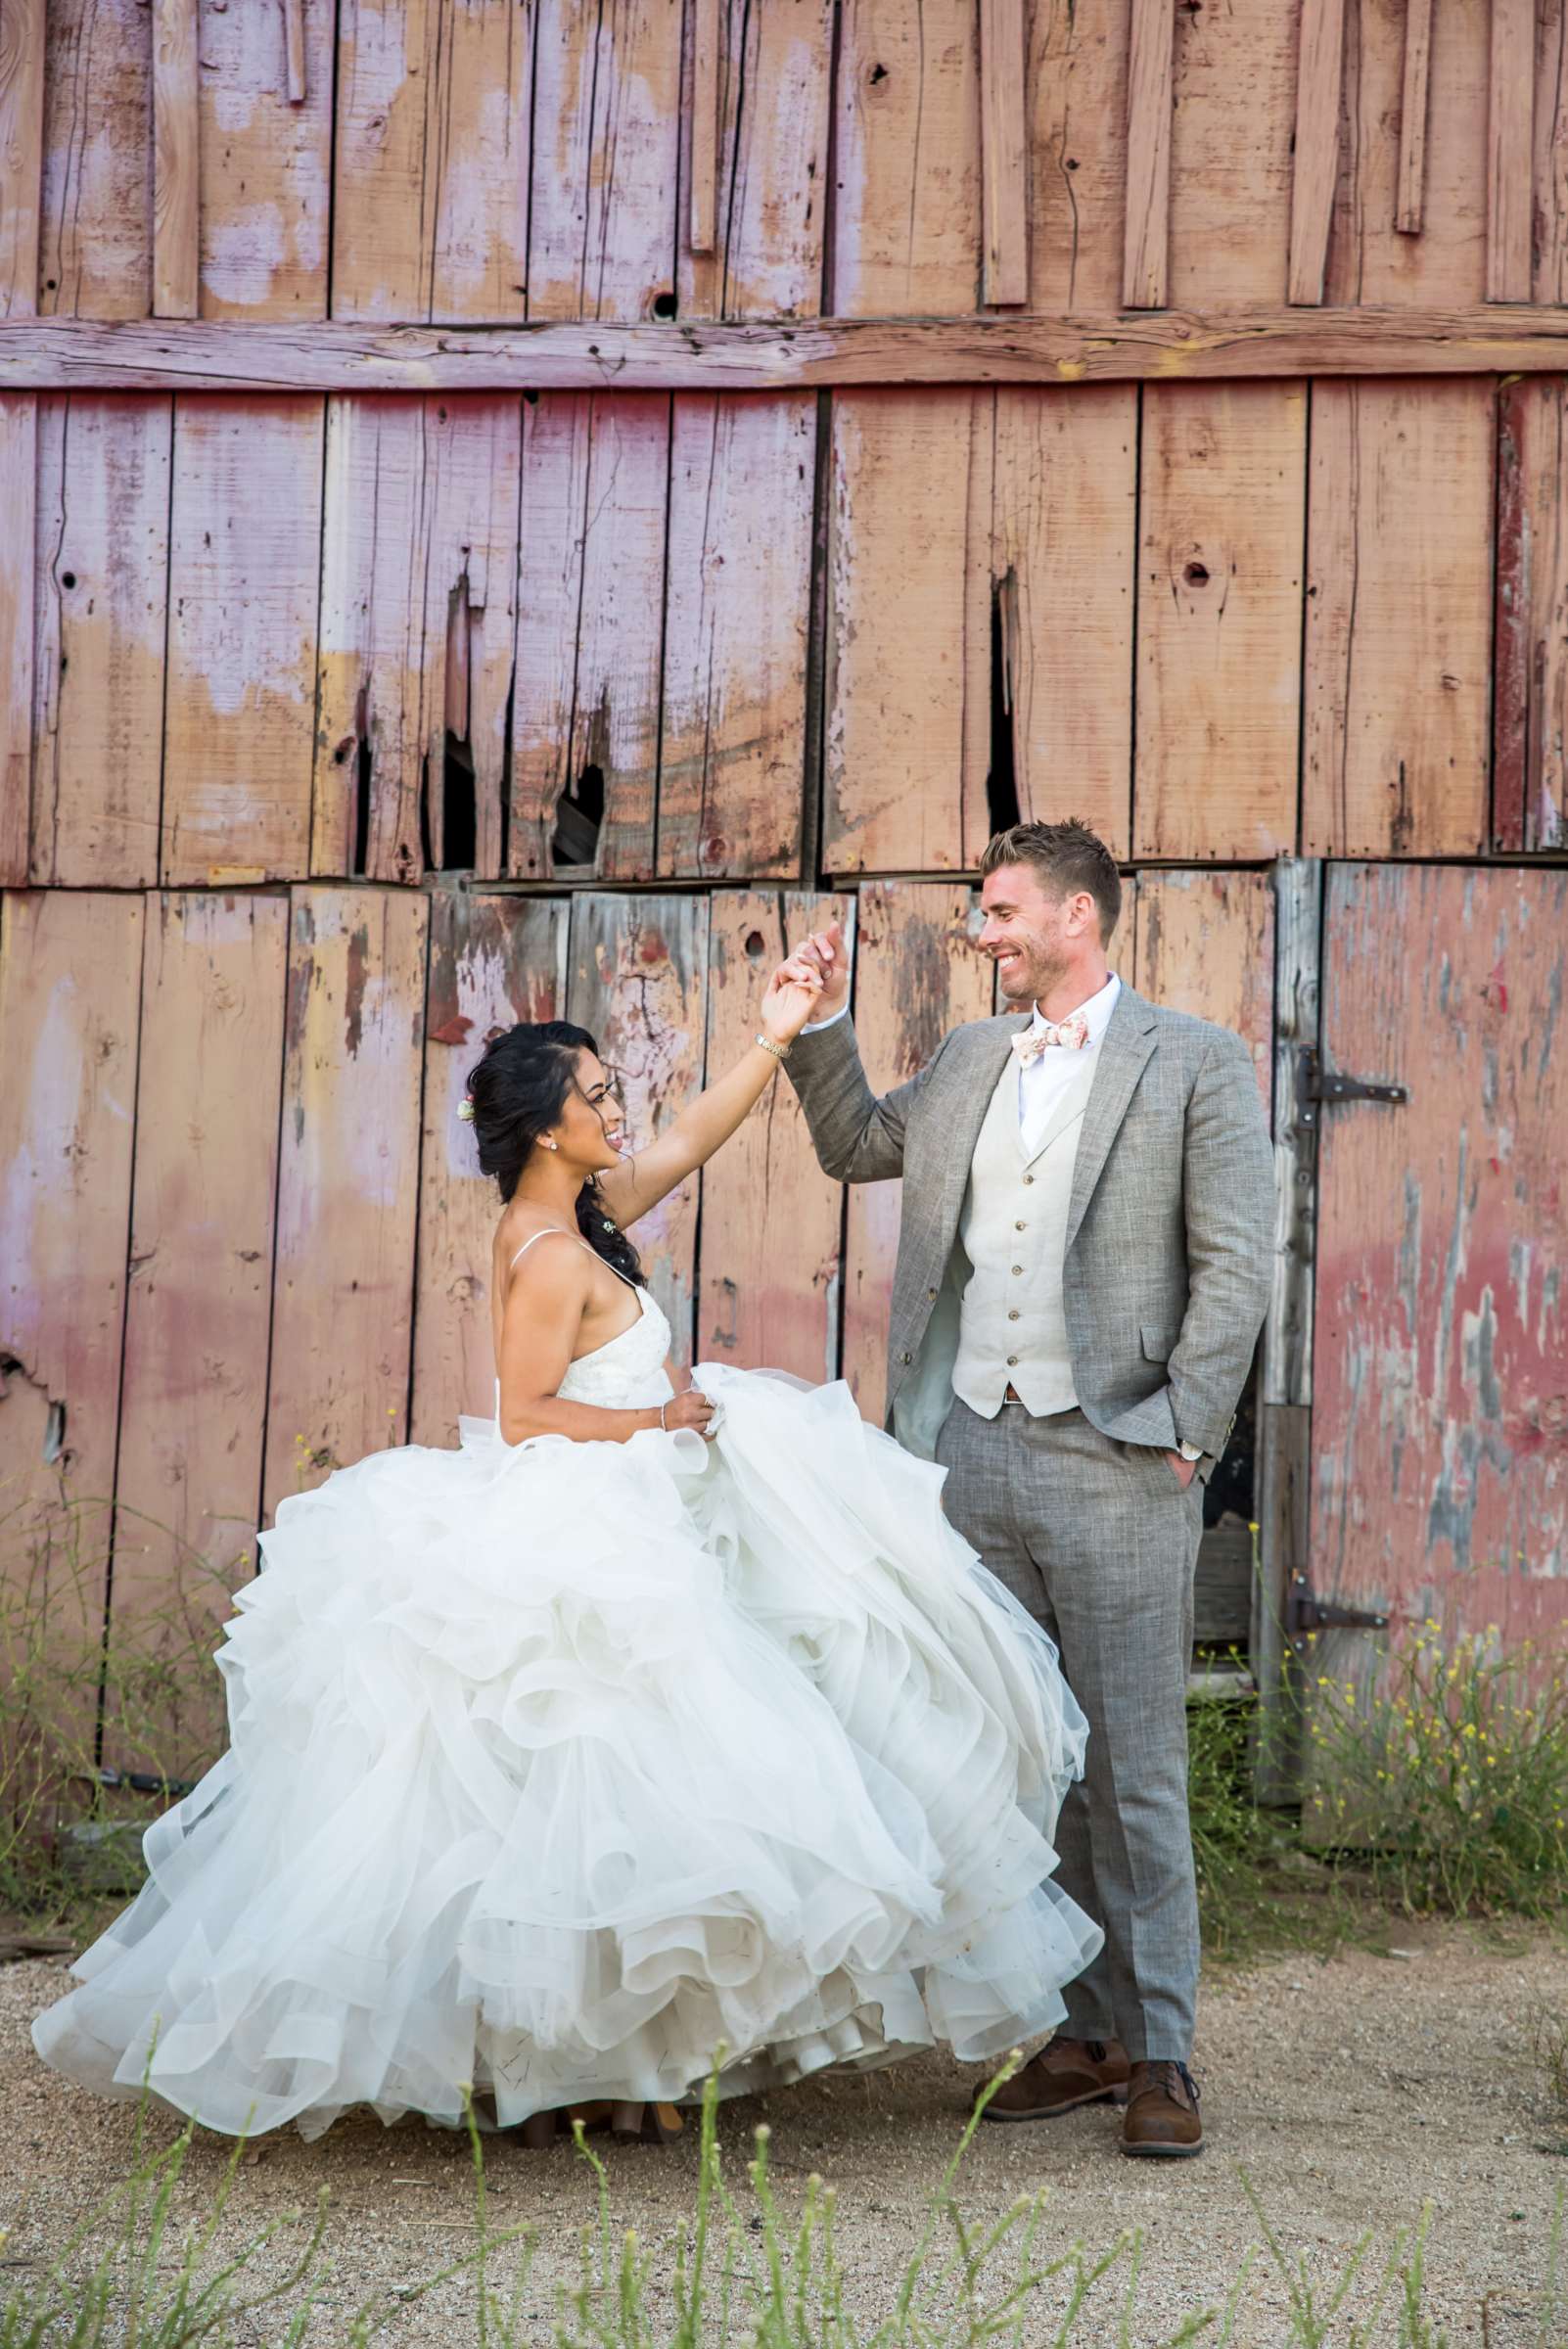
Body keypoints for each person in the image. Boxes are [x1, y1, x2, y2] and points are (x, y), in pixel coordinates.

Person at [34, 957, 1100, 2145]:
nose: (616, 1106)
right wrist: (657, 1418)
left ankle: (616, 2063)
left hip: (637, 1507)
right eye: (595, 1094)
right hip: (587, 1519)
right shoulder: (544, 1252)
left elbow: (690, 1135)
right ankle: (568, 2066)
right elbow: (531, 1408)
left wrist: (778, 1034)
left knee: (635, 1806)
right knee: (582, 1796)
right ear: (546, 1128)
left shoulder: (576, 1218)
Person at [777, 818, 1274, 2160]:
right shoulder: (968, 1057)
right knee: (1029, 1752)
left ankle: (1162, 2047)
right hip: (971, 1451)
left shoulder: (1195, 1063)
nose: (983, 934)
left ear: (1075, 917)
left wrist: (1184, 1430)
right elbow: (852, 1148)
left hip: (1117, 1459)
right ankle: (1081, 2028)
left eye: (1000, 913)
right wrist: (808, 1025)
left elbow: (1236, 1267)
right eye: (981, 914)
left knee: (1135, 1767)